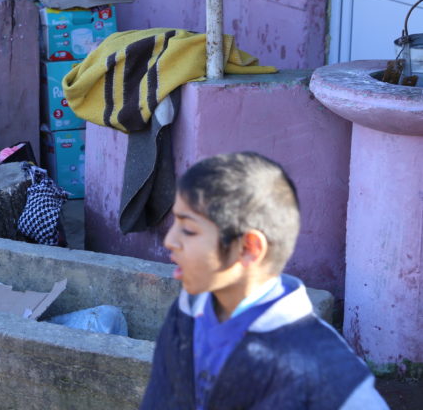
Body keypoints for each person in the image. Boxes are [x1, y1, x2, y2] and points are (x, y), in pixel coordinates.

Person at [141, 152, 387, 409]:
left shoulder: (328, 372)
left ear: (249, 248)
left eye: (189, 230)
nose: (169, 240)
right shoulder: (187, 313)